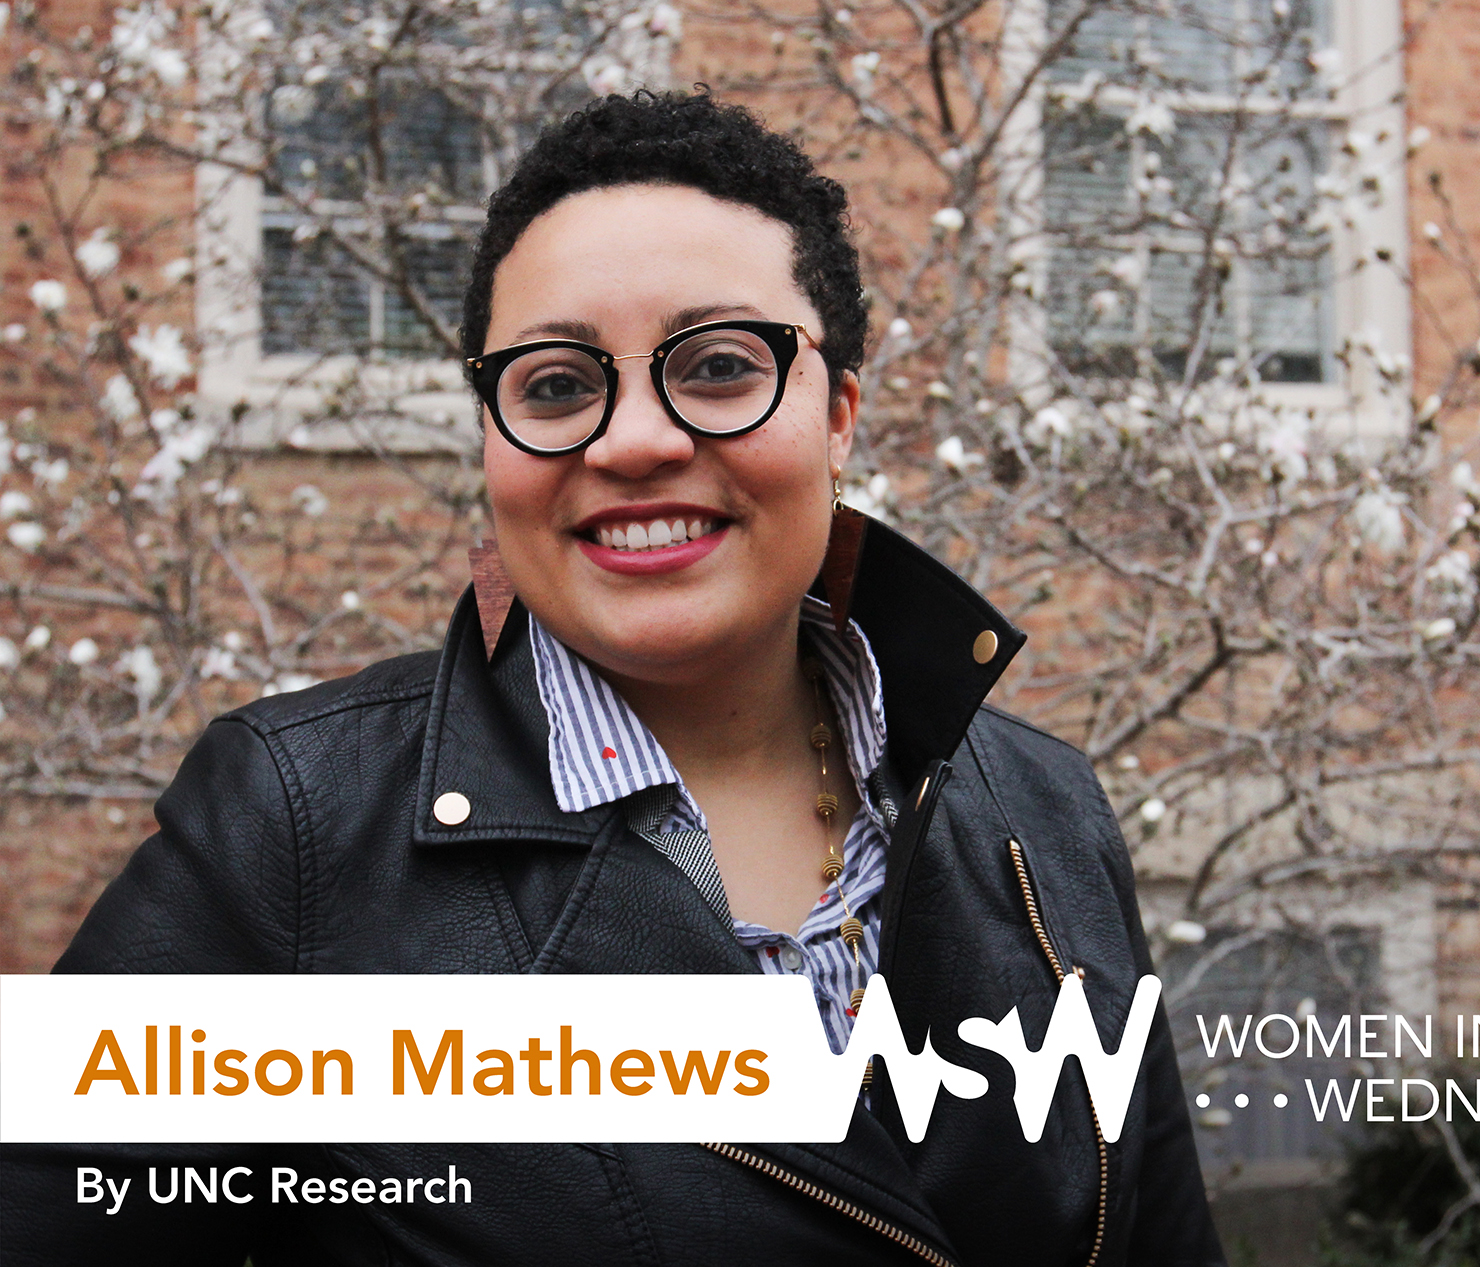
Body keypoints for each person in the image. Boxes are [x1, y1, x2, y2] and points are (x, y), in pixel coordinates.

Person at [0, 90, 1225, 1266]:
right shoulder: (298, 831)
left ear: (839, 411)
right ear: (490, 435)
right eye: (556, 385)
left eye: (721, 365)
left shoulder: (1042, 817)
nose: (635, 439)